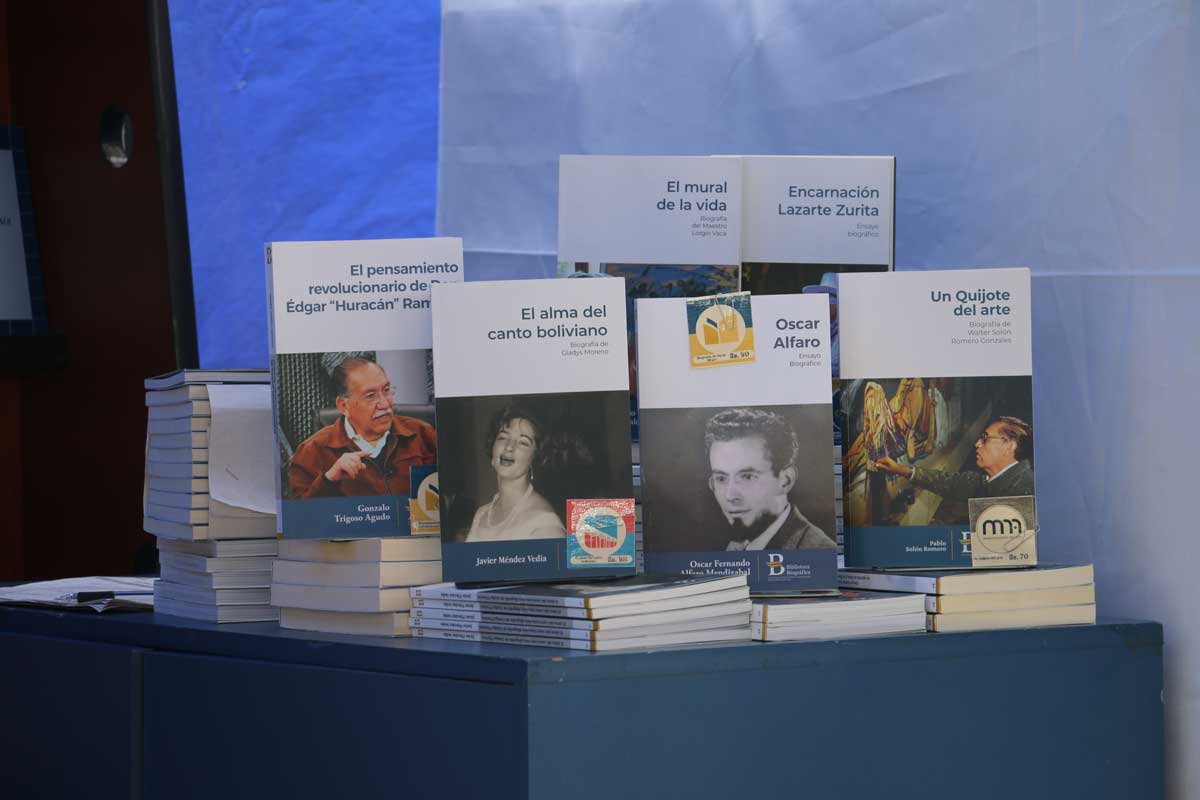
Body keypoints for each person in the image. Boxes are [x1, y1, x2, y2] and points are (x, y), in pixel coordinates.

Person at [287, 357, 436, 499]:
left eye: (386, 390)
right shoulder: (312, 450)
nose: (385, 404)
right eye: (370, 396)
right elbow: (300, 513)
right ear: (344, 406)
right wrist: (329, 479)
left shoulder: (423, 434)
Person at [705, 408, 835, 551]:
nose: (730, 496)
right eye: (721, 478)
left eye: (747, 476)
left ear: (785, 481)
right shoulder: (735, 547)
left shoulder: (820, 550)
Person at [465, 403, 566, 542]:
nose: (509, 447)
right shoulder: (481, 514)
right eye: (503, 437)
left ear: (535, 458)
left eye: (523, 442)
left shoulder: (545, 525)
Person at [872, 415, 1034, 500]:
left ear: (1009, 447)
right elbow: (950, 483)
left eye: (985, 438)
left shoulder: (1023, 495)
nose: (977, 443)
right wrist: (901, 470)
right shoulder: (994, 481)